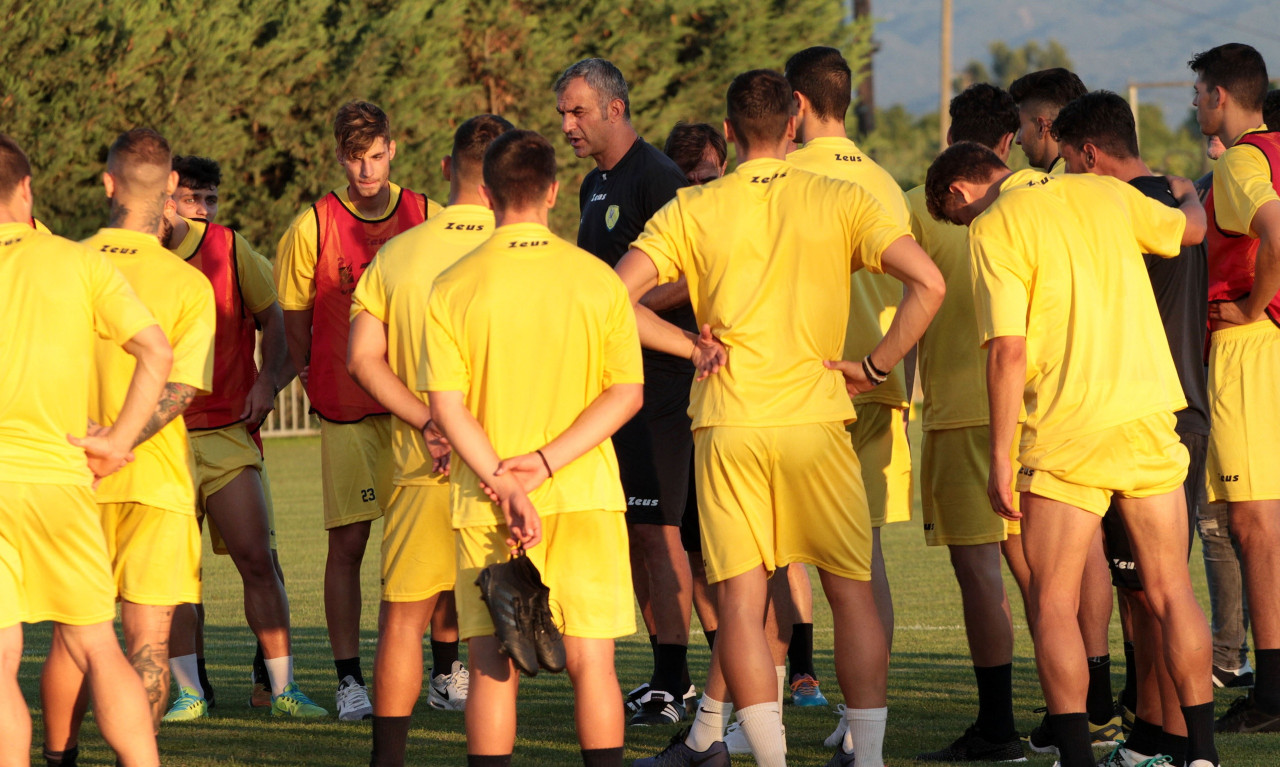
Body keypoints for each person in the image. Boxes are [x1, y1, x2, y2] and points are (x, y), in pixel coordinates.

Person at [619, 68, 945, 767]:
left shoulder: (695, 205)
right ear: (794, 123)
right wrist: (878, 365)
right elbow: (930, 283)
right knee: (849, 591)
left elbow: (613, 297)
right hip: (817, 420)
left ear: (729, 132)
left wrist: (688, 343)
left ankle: (770, 761)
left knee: (740, 598)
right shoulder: (838, 197)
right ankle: (870, 758)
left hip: (728, 423)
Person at [925, 140, 1216, 767]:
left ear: (960, 193)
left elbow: (1007, 350)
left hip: (1064, 430)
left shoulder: (995, 225)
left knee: (1053, 601)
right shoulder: (1102, 189)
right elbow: (1189, 231)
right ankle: (1204, 755)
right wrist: (1190, 189)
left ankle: (1078, 756)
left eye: (958, 218)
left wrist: (1000, 456)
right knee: (1172, 590)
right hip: (1146, 416)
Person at [425, 128, 643, 767]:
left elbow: (447, 408)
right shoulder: (597, 280)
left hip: (485, 502)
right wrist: (546, 464)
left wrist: (506, 479)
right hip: (584, 492)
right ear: (554, 192)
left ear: (488, 194)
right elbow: (625, 394)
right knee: (593, 665)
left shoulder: (453, 284)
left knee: (492, 665)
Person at [41, 128, 216, 752]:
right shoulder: (191, 285)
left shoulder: (66, 263)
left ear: (107, 182)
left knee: (73, 638)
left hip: (72, 476)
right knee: (148, 645)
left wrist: (95, 445)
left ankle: (57, 757)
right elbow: (182, 390)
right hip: (155, 480)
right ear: (171, 188)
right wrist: (121, 440)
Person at [0, 132, 172, 767]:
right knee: (99, 645)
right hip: (59, 475)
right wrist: (119, 442)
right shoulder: (76, 262)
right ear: (26, 188)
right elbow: (156, 353)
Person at [348, 113, 513, 766]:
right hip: (506, 470)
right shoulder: (526, 250)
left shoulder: (398, 252)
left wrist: (427, 419)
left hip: (423, 466)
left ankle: (387, 760)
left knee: (403, 621)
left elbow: (364, 359)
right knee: (497, 626)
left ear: (446, 171)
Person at [1053, 89, 1211, 766]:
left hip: (1137, 411)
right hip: (1183, 405)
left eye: (1064, 160)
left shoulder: (1111, 209)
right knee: (1153, 589)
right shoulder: (1174, 203)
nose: (1061, 178)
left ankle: (1168, 739)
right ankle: (1159, 732)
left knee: (1151, 592)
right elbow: (1196, 235)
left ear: (1090, 153)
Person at [275, 100, 440, 720]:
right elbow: (294, 325)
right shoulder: (311, 226)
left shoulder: (428, 215)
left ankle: (446, 669)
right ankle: (350, 682)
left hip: (419, 413)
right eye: (355, 158)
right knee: (348, 546)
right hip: (347, 416)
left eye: (376, 157)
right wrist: (318, 387)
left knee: (438, 540)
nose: (367, 171)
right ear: (339, 157)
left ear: (392, 150)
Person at [555, 57, 695, 725]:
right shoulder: (593, 183)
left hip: (665, 387)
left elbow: (694, 271)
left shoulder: (659, 177)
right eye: (562, 113)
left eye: (577, 111)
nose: (566, 124)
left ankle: (679, 680)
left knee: (661, 531)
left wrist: (620, 305)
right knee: (642, 531)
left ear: (614, 108)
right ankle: (671, 672)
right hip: (617, 385)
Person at [159, 155, 323, 720]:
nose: (200, 210)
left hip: (228, 431)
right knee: (174, 574)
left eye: (210, 199)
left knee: (258, 559)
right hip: (163, 442)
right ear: (163, 196)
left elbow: (273, 316)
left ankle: (282, 689)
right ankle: (190, 692)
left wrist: (267, 382)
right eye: (189, 198)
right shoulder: (134, 258)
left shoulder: (229, 248)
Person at [786, 44, 915, 705]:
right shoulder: (886, 181)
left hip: (803, 385)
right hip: (874, 384)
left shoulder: (782, 174)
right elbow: (921, 285)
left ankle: (735, 719)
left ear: (798, 104)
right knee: (864, 566)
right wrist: (882, 364)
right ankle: (866, 719)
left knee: (768, 556)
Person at [905, 83, 1026, 762]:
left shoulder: (928, 208)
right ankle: (1086, 708)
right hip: (1039, 406)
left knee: (980, 569)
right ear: (1006, 143)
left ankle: (999, 726)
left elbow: (918, 286)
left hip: (963, 410)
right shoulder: (1043, 195)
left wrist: (877, 364)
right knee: (1049, 569)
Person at [1189, 43, 1280, 734]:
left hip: (1253, 348)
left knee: (1254, 524)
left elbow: (1278, 234)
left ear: (1221, 95)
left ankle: (1271, 695)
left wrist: (1251, 307)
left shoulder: (1246, 159)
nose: (1194, 104)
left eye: (1198, 92)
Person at [1008, 68, 1088, 174]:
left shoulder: (1046, 187)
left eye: (1021, 127)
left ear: (1042, 127)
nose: (1017, 140)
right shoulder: (1104, 180)